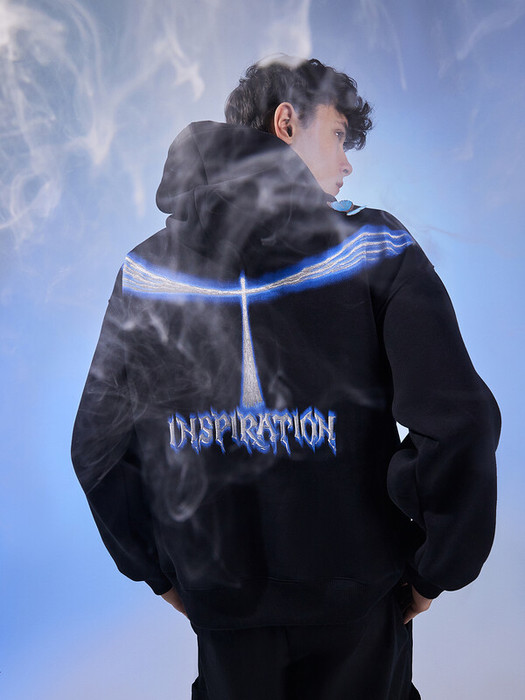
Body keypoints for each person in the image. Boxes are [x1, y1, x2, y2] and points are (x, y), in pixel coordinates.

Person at [72, 56, 500, 699]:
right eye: (338, 135)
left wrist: (160, 572)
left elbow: (97, 448)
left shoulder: (146, 272)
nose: (348, 163)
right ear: (286, 122)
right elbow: (459, 422)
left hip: (222, 607)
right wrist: (433, 568)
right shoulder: (373, 246)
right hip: (358, 605)